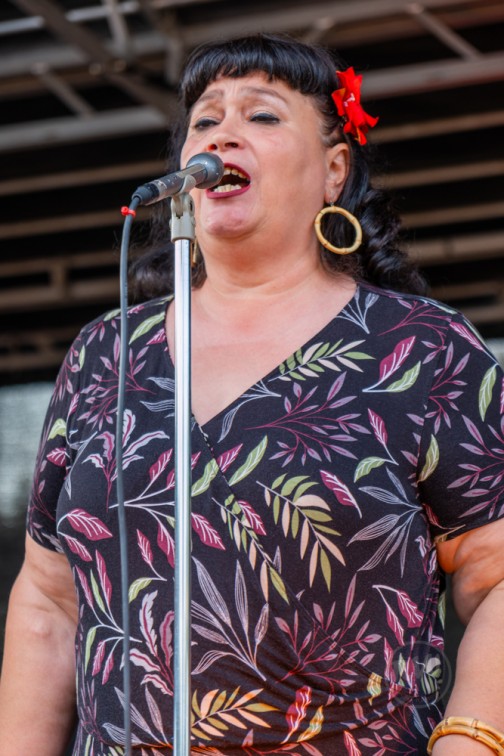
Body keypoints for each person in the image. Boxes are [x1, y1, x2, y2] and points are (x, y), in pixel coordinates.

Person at [1, 32, 503, 756]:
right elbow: (50, 600)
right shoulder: (107, 352)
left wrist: (469, 742)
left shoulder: (419, 348)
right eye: (205, 120)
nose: (223, 133)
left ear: (334, 170)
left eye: (262, 115)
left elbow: (496, 576)